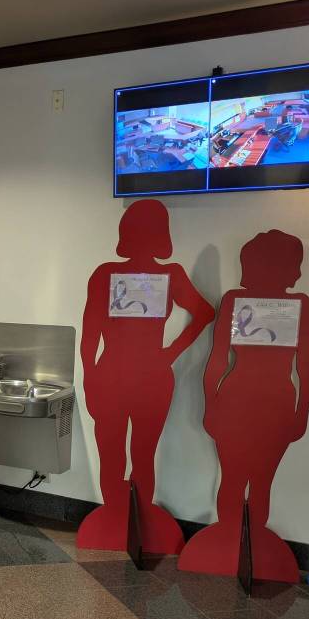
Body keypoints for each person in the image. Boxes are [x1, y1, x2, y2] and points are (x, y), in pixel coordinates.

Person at [179, 230, 309, 582]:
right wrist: (301, 413)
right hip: (267, 401)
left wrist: (211, 405)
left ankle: (239, 543)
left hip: (245, 399)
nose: (299, 274)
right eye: (296, 266)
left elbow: (216, 364)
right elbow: (305, 370)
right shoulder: (292, 306)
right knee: (255, 479)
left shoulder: (241, 303)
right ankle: (238, 544)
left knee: (240, 477)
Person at [77, 200, 214, 554]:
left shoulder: (110, 273)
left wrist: (90, 375)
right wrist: (168, 354)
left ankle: (120, 521)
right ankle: (126, 523)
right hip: (144, 374)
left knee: (122, 453)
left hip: (121, 374)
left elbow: (90, 334)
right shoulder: (161, 275)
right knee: (137, 453)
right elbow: (204, 313)